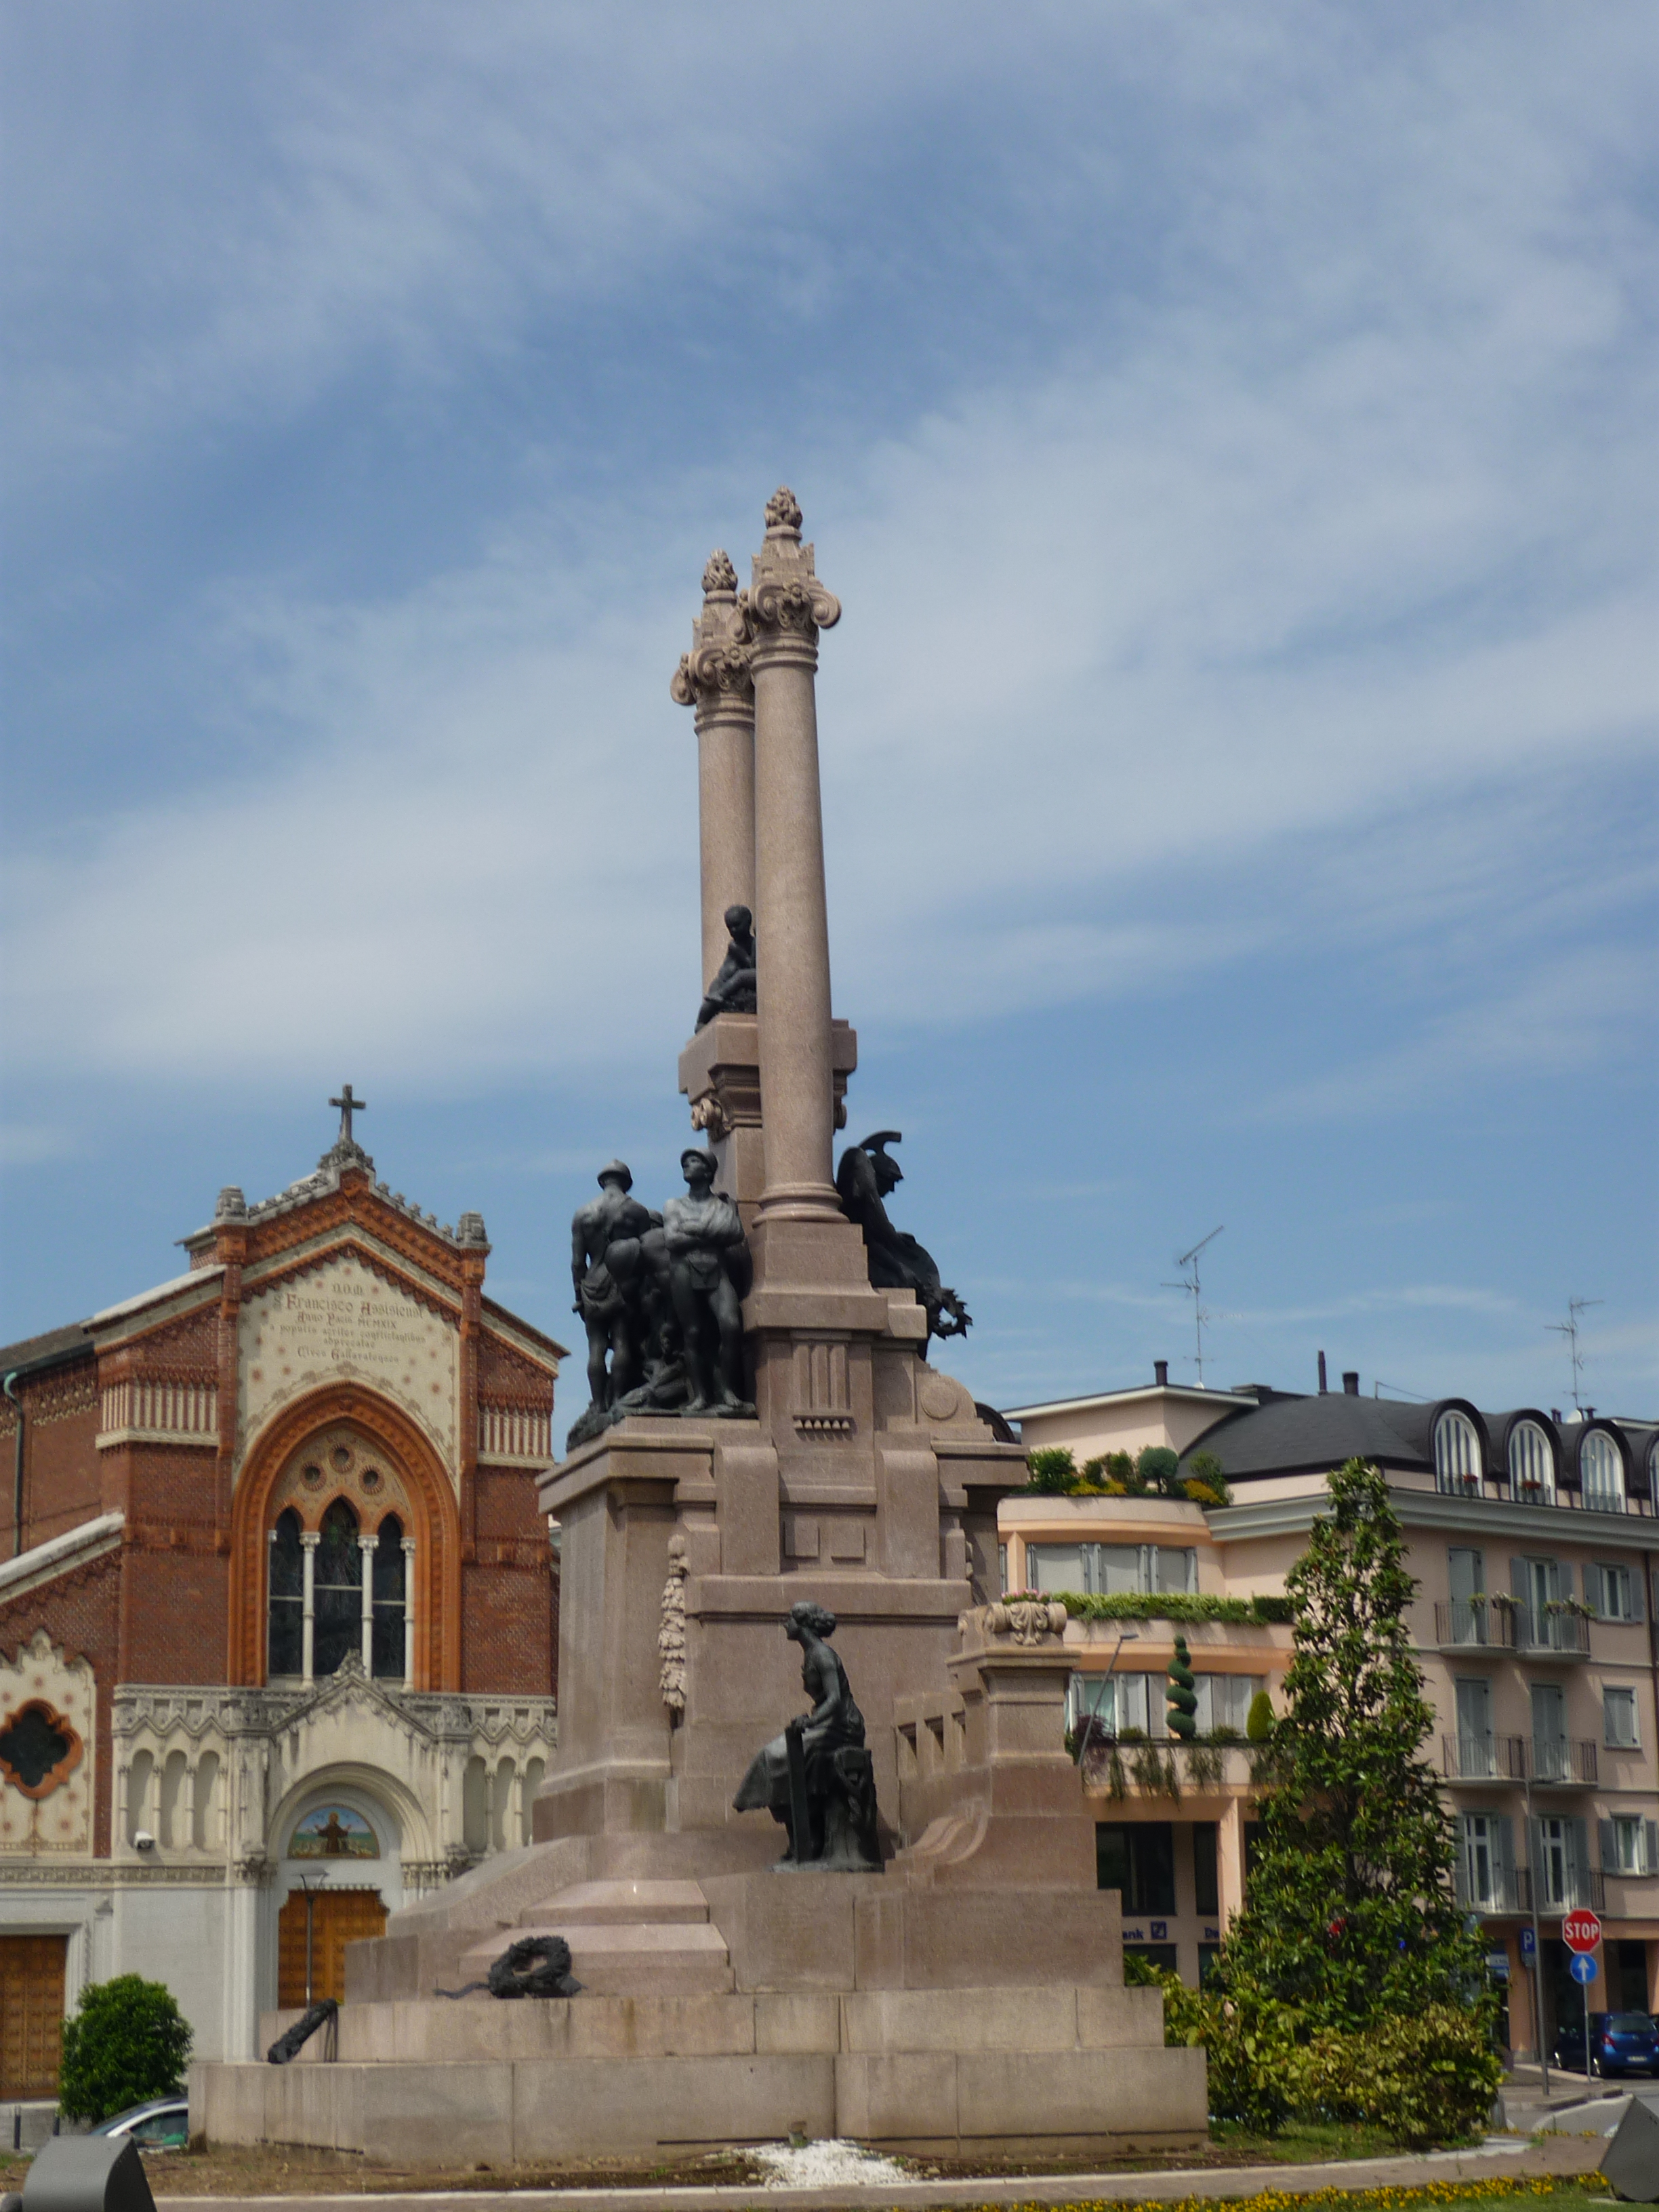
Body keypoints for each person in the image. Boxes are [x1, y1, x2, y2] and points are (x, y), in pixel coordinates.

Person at [732, 1601, 877, 1867]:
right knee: (772, 1755)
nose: (786, 1624)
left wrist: (811, 1722)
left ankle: (809, 1838)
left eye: (791, 1619)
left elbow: (834, 1699)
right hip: (825, 1724)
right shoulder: (810, 1654)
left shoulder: (823, 1655)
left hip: (843, 1726)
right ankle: (799, 1835)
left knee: (792, 1758)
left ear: (803, 1624)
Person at [834, 1131, 970, 1349]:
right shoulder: (860, 1202)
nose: (893, 1189)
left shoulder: (867, 1208)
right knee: (909, 1279)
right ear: (874, 1176)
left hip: (873, 1254)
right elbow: (870, 1240)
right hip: (863, 1260)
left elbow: (877, 1238)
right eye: (890, 1181)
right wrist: (898, 1268)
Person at [569, 1162, 661, 1425]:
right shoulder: (637, 1210)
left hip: (592, 1284)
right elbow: (646, 1253)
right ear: (626, 1182)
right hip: (624, 1285)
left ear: (602, 1181)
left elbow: (577, 1262)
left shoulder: (582, 1214)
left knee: (596, 1347)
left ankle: (599, 1406)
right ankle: (619, 1400)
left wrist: (579, 1295)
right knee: (621, 1341)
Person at [661, 1148, 751, 1414]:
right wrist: (711, 1233)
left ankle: (727, 1391)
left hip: (716, 1268)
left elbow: (734, 1232)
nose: (687, 1166)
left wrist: (693, 1230)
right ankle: (700, 1396)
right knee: (693, 1333)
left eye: (694, 1162)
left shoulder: (722, 1206)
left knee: (731, 1326)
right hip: (684, 1270)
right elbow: (672, 1240)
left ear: (708, 1171)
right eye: (685, 1163)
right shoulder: (673, 1205)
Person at [695, 904, 758, 1030]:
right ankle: (701, 1023)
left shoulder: (752, 943)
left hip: (733, 984)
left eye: (737, 925)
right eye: (730, 927)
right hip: (723, 981)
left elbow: (752, 966)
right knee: (710, 1003)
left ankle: (721, 997)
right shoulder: (734, 946)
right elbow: (749, 963)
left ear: (748, 922)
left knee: (740, 978)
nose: (733, 930)